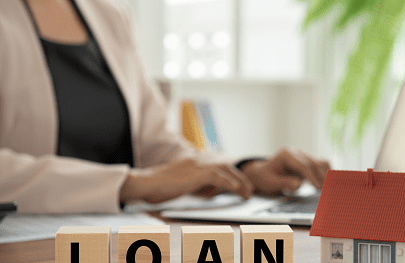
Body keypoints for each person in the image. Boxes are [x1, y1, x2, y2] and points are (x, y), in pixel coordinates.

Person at [0, 0, 330, 214]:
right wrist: (132, 184)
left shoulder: (110, 15)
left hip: (121, 244)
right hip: (25, 254)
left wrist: (245, 171)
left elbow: (158, 147)